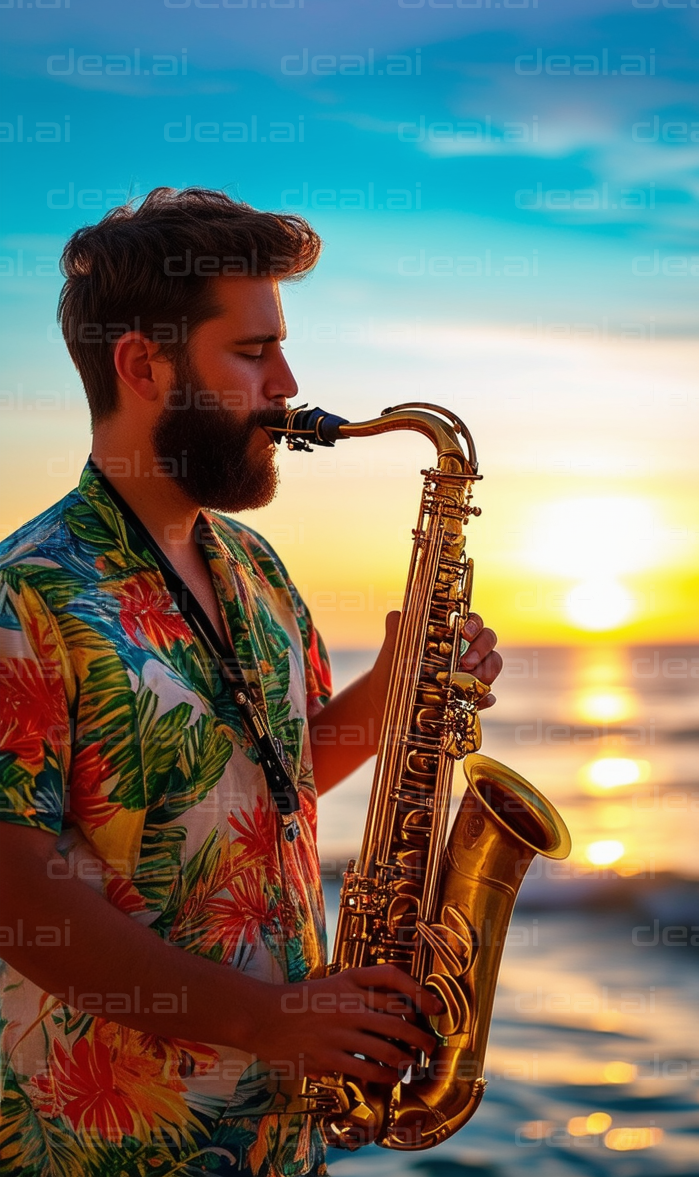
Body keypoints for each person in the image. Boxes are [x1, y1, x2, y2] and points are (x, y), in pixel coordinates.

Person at [0, 188, 502, 1177]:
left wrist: (400, 682)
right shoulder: (27, 595)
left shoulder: (256, 566)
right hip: (106, 1146)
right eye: (252, 351)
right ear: (143, 364)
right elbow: (15, 896)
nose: (289, 382)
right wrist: (268, 1018)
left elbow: (268, 782)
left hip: (278, 1134)